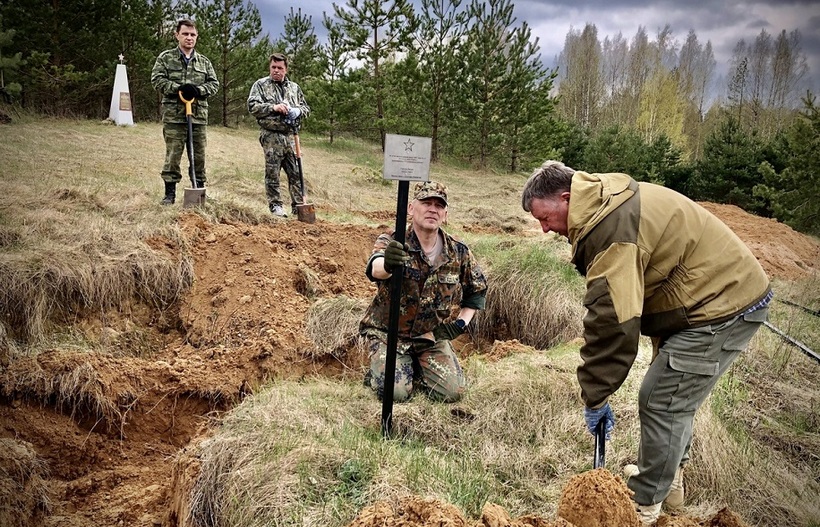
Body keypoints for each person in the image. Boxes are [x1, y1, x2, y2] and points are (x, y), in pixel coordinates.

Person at [520, 161, 771, 525]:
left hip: (721, 302)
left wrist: (595, 396)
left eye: (544, 218)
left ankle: (644, 504)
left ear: (566, 198)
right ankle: (669, 485)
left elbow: (613, 321)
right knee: (673, 395)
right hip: (699, 298)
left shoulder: (611, 228)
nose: (544, 229)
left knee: (662, 399)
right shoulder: (603, 201)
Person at [359, 181, 488, 403]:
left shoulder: (458, 251)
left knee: (452, 393)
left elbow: (476, 292)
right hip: (388, 334)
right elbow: (375, 268)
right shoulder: (393, 240)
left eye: (439, 205)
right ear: (410, 208)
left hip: (430, 337)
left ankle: (415, 368)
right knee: (395, 394)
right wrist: (389, 264)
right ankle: (382, 370)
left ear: (445, 214)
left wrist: (459, 325)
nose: (432, 209)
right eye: (426, 202)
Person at [150, 19, 219, 205]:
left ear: (196, 37)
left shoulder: (204, 62)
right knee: (173, 155)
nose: (189, 38)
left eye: (192, 34)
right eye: (185, 34)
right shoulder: (166, 58)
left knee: (199, 156)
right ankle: (169, 194)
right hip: (174, 117)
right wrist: (179, 88)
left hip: (197, 117)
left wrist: (198, 91)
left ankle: (199, 192)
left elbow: (214, 84)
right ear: (177, 35)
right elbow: (157, 80)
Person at [247, 53, 311, 217]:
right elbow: (253, 107)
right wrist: (273, 108)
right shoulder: (260, 85)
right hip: (271, 136)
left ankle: (298, 206)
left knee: (295, 173)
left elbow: (306, 109)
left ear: (286, 69)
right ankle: (276, 206)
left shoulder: (294, 88)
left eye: (280, 68)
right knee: (273, 172)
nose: (276, 71)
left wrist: (296, 111)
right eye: (273, 67)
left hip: (291, 136)